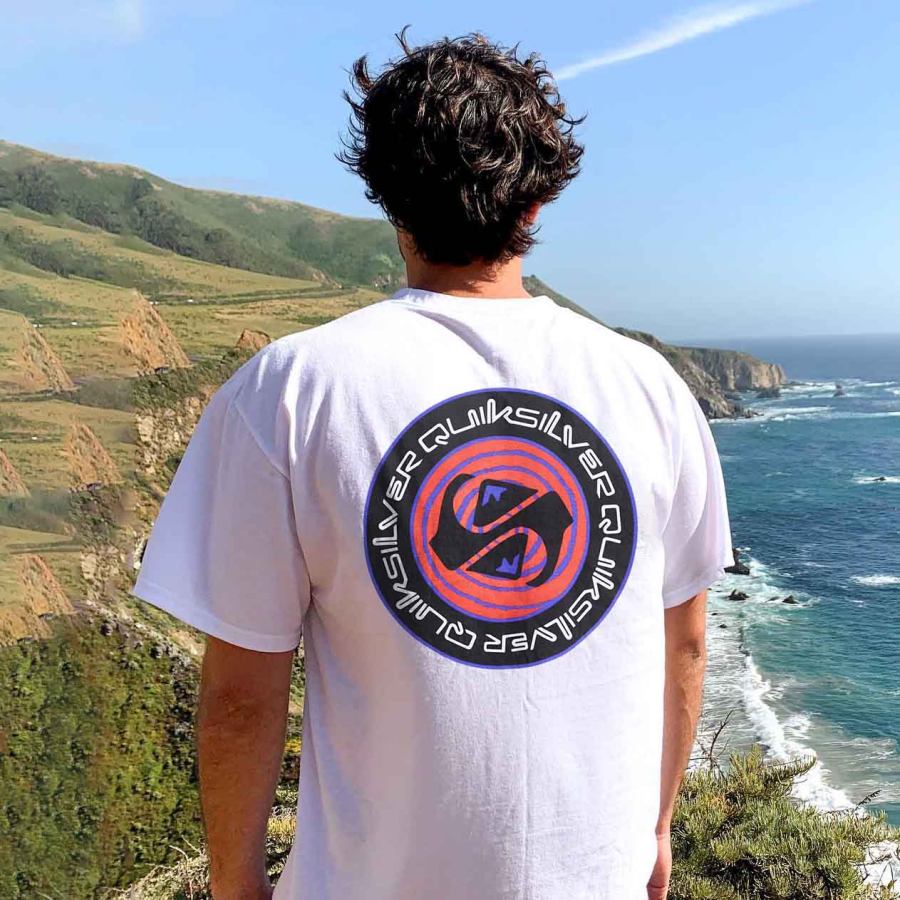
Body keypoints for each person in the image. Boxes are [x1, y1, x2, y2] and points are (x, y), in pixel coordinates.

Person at [132, 30, 732, 900]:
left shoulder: (289, 390)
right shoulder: (651, 388)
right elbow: (686, 641)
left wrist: (236, 883)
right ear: (538, 202)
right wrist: (657, 829)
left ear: (387, 194)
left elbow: (241, 694)